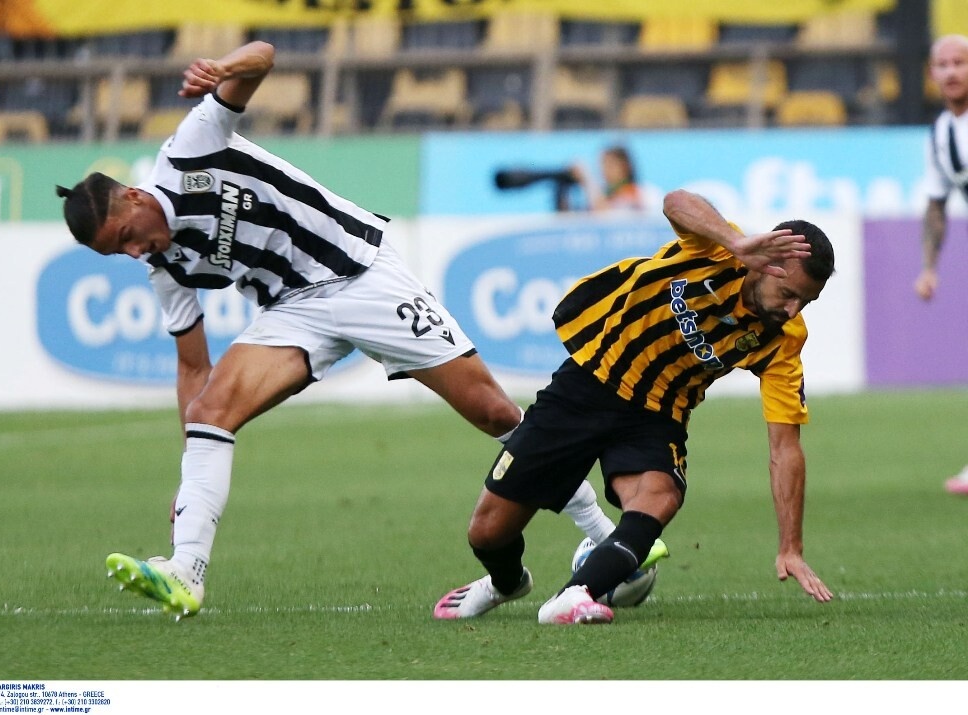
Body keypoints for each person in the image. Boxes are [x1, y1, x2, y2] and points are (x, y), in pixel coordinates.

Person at [54, 40, 614, 619]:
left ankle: (601, 533)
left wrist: (223, 68)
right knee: (208, 413)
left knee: (492, 412)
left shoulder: (189, 152)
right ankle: (186, 569)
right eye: (118, 253)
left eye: (126, 237)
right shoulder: (165, 267)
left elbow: (264, 55)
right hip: (293, 311)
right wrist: (189, 473)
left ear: (136, 198)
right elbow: (193, 367)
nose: (134, 252)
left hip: (359, 271)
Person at [434, 188, 836, 625]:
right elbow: (675, 201)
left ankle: (574, 595)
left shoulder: (784, 339)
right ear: (764, 264)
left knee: (661, 497)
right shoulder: (721, 249)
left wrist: (791, 547)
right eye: (788, 292)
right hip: (589, 383)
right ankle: (506, 582)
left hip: (657, 415)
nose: (793, 309)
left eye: (805, 302)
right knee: (488, 532)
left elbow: (785, 448)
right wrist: (736, 241)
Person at [912, 33, 968, 495]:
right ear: (932, 73)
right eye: (943, 64)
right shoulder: (942, 134)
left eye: (960, 62)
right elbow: (936, 205)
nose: (951, 71)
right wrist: (929, 266)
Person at [570, 144, 644, 212]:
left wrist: (587, 180)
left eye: (610, 165)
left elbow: (605, 214)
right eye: (603, 165)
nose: (605, 170)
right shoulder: (607, 193)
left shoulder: (634, 192)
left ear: (624, 166)